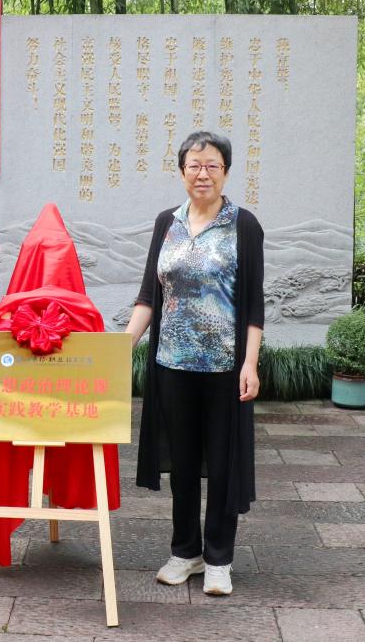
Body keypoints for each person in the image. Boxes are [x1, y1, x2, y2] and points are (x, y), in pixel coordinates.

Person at [124, 130, 264, 596]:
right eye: (194, 165)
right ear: (182, 171)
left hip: (224, 368)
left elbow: (254, 304)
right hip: (172, 365)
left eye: (212, 166)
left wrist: (250, 363)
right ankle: (186, 551)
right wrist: (122, 346)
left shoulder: (243, 225)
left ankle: (219, 558)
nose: (203, 173)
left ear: (226, 172)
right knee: (182, 464)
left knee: (222, 464)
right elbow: (149, 295)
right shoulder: (167, 222)